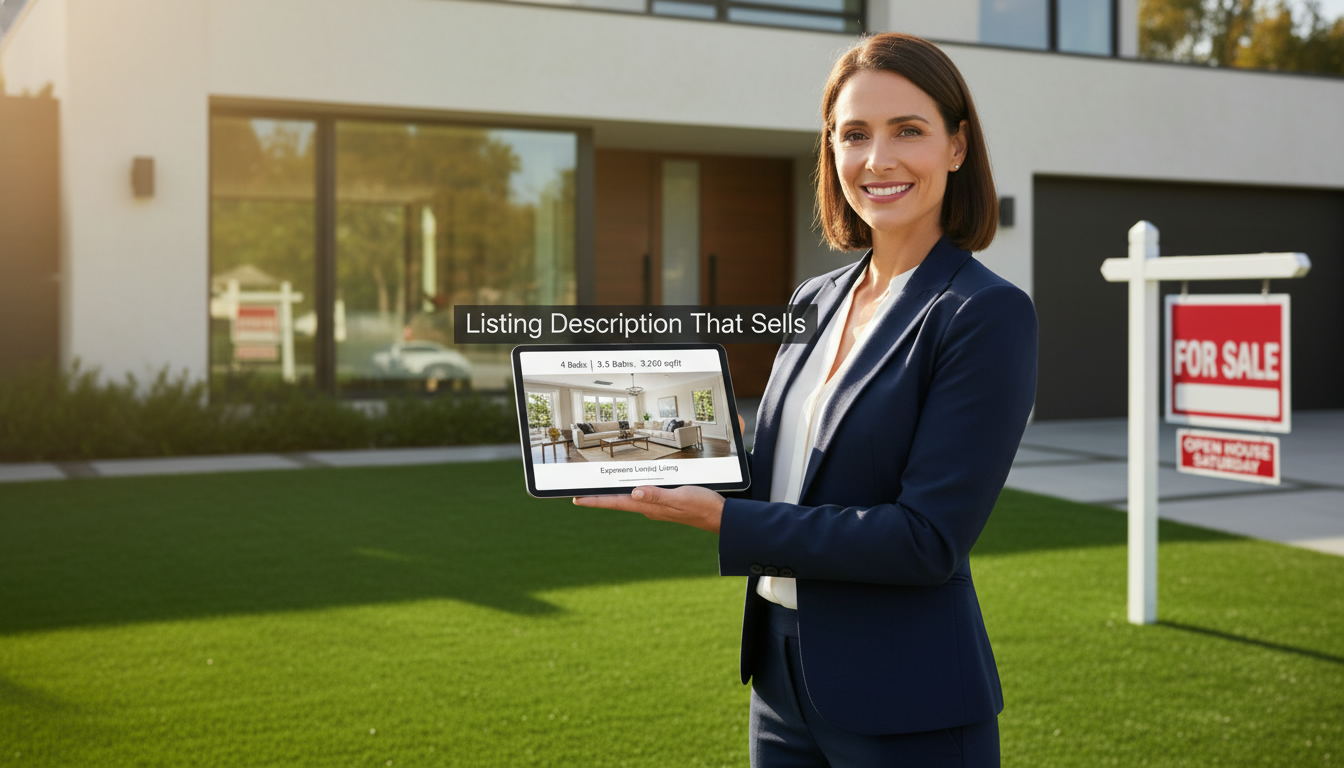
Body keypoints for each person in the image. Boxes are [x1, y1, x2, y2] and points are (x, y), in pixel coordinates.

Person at [575, 32, 1037, 767]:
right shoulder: (815, 298)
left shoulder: (982, 313)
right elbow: (790, 479)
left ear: (956, 146)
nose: (876, 159)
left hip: (906, 701)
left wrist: (729, 520)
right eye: (853, 135)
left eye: (907, 131)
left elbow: (926, 541)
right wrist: (693, 453)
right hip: (782, 679)